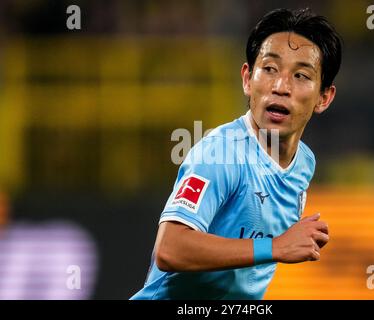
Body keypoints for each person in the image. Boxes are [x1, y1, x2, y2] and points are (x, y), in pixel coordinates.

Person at [131, 7, 342, 300]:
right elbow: (170, 248)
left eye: (301, 75)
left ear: (324, 98)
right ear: (247, 79)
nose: (281, 86)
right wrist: (277, 246)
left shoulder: (304, 163)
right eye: (269, 69)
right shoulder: (220, 154)